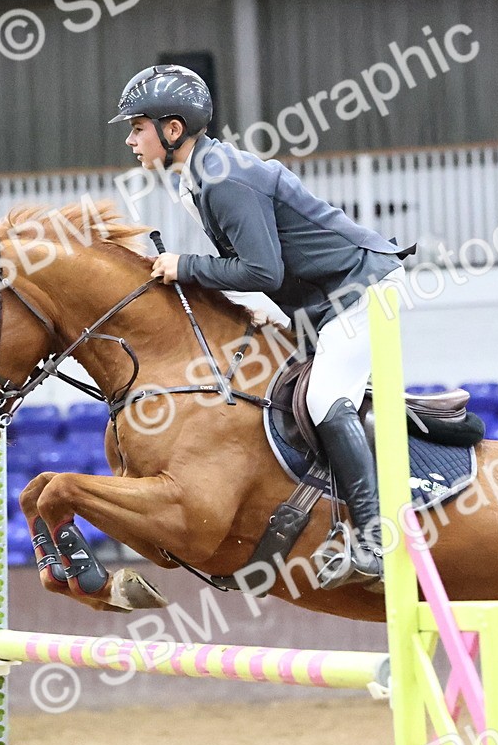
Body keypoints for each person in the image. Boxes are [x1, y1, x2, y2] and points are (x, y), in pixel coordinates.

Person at [109, 64, 407, 590]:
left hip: (362, 289)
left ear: (172, 130)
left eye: (138, 127)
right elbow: (270, 267)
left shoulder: (223, 178)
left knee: (323, 401)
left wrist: (186, 265)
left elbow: (261, 269)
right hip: (321, 302)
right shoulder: (201, 177)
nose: (132, 139)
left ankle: (374, 539)